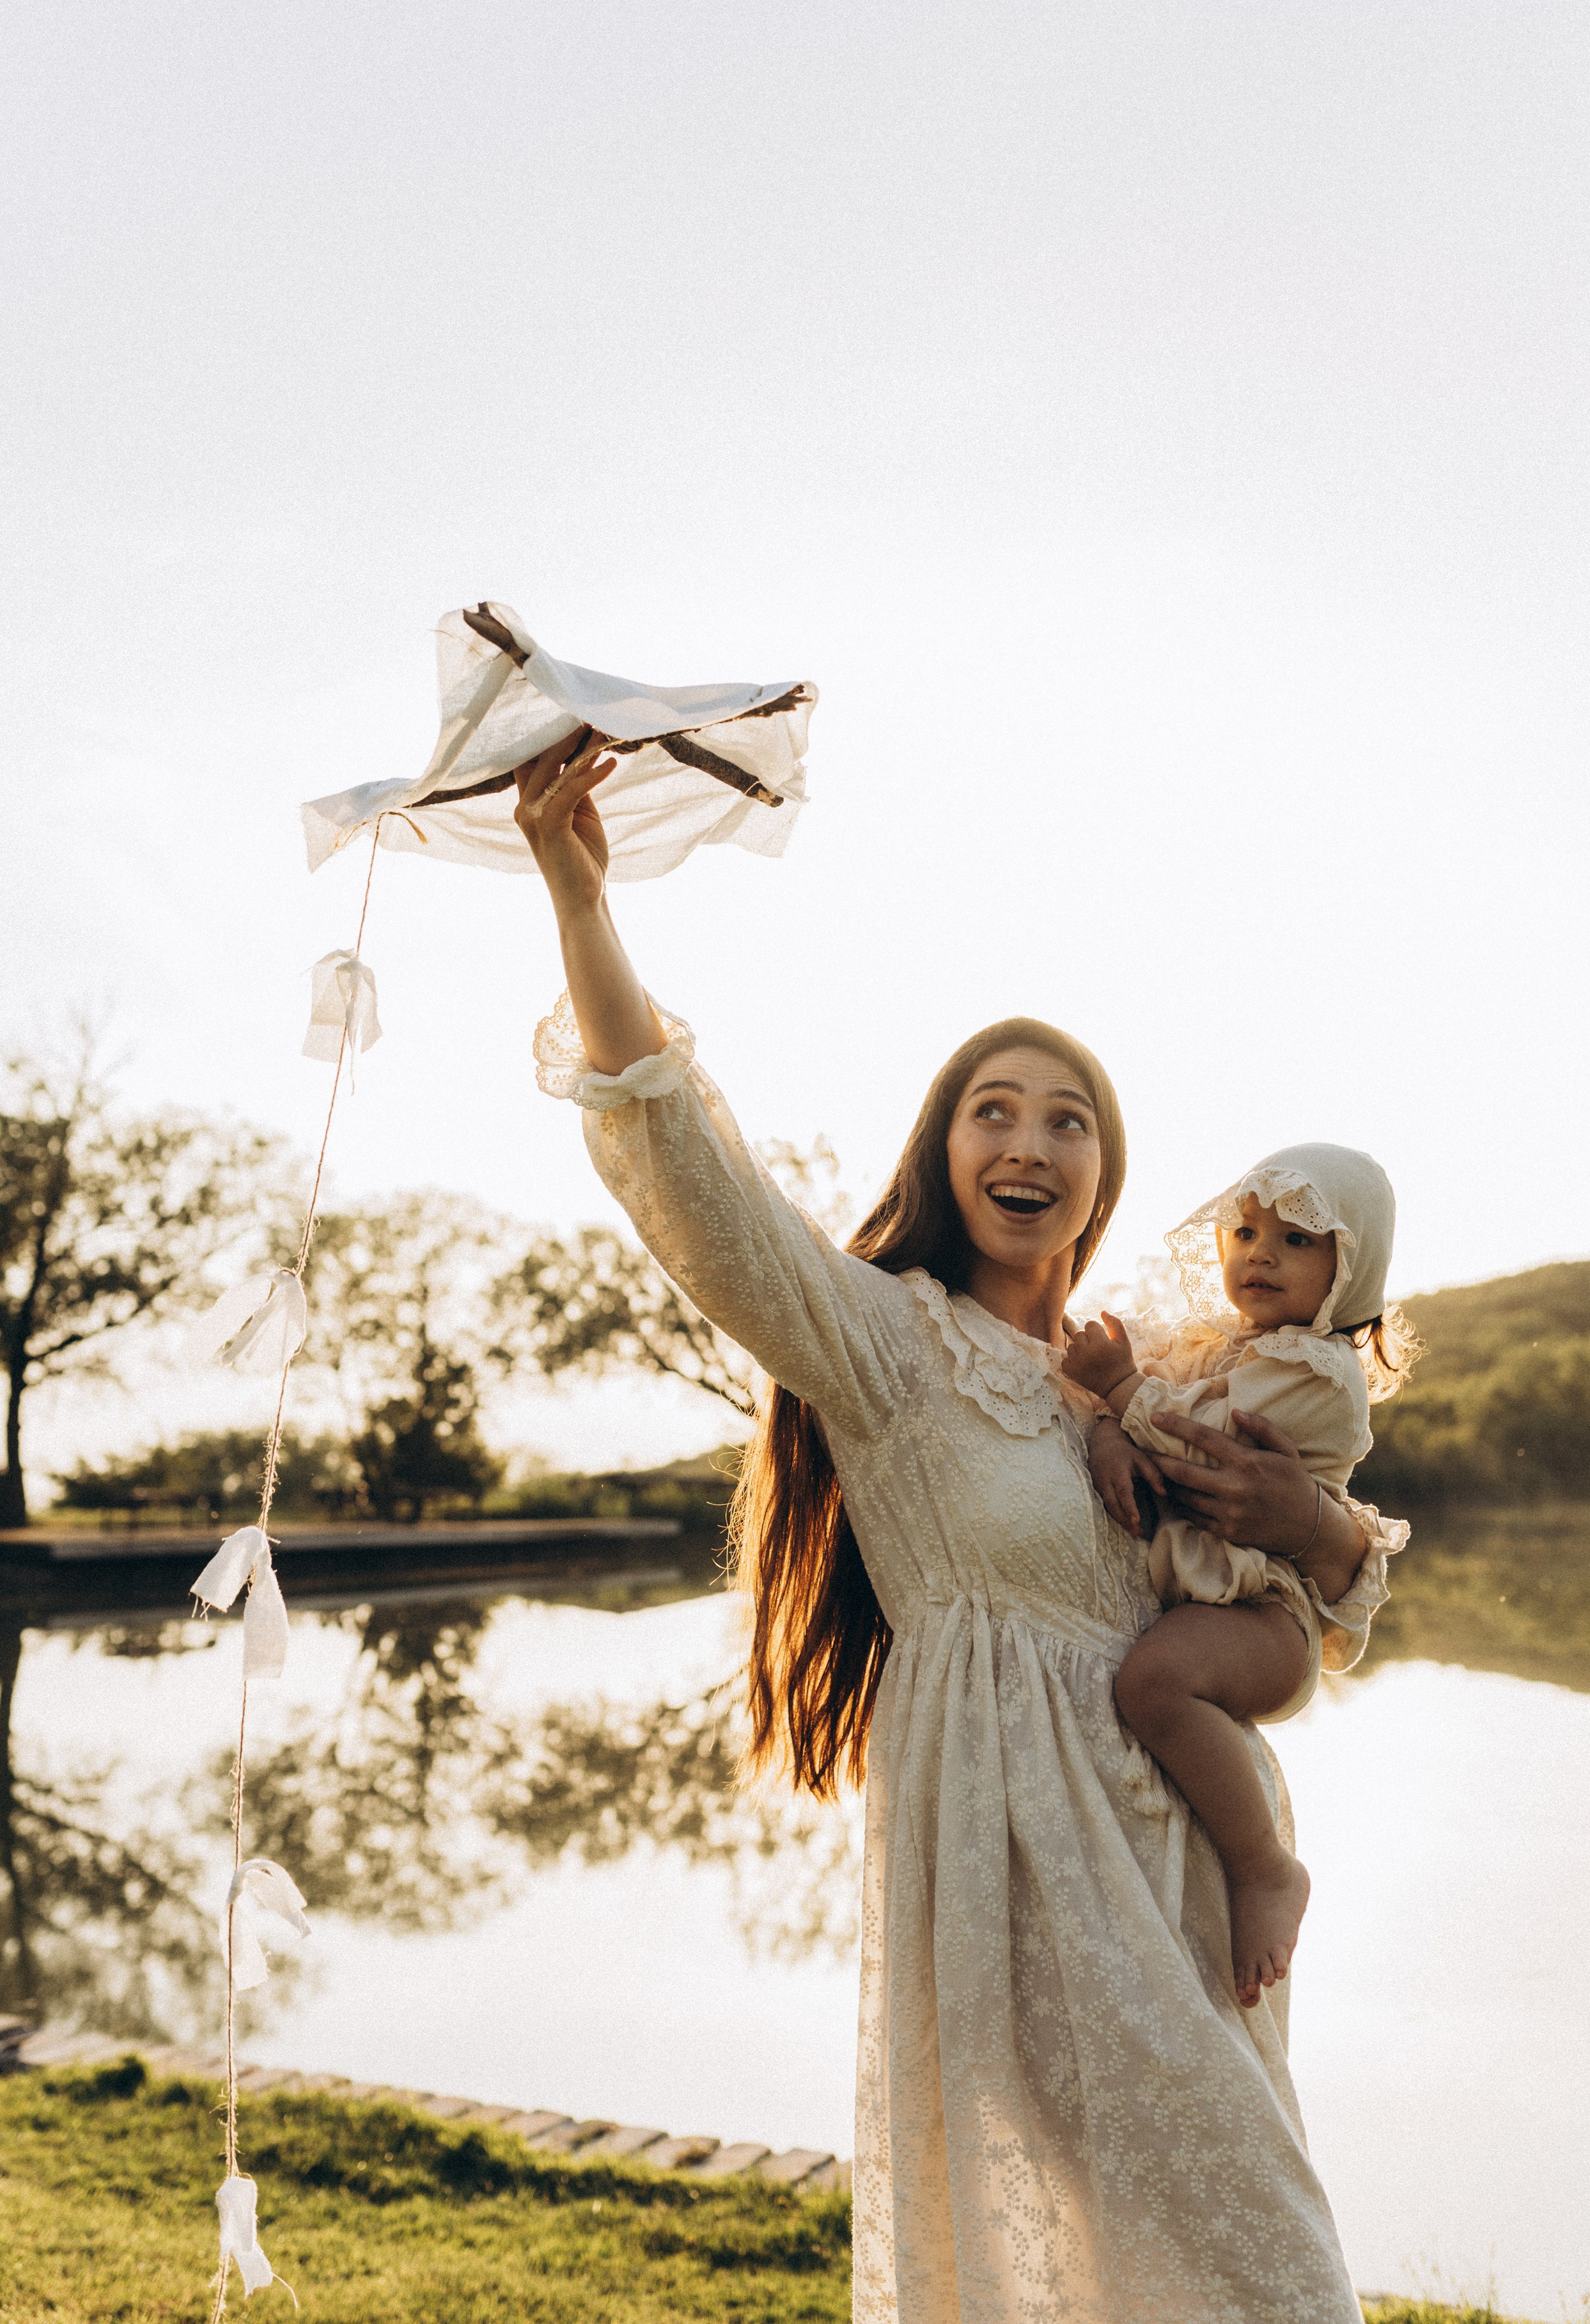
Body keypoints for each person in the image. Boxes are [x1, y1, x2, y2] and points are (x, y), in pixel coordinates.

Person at [512, 723, 1405, 2323]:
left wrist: (1325, 1538)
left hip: (1189, 1874)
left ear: (1102, 1178)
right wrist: (582, 902)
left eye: (1068, 1121)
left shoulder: (1151, 1373)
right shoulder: (886, 1343)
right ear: (944, 1148)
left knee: (1229, 2264)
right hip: (1014, 1866)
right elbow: (693, 1177)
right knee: (1209, 2278)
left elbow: (1282, 1614)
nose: (1027, 1143)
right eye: (993, 1111)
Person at [1062, 1152, 1414, 2008]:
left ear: (1352, 1266)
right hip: (1221, 1599)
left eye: (1296, 1239)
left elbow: (1201, 1441)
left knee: (1153, 1682)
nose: (1260, 1254)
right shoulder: (1221, 1344)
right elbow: (1131, 1415)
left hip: (1266, 1613)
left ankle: (1265, 1868)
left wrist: (1121, 1390)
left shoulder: (1320, 1375)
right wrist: (1106, 1422)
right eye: (1247, 1232)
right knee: (1152, 1679)